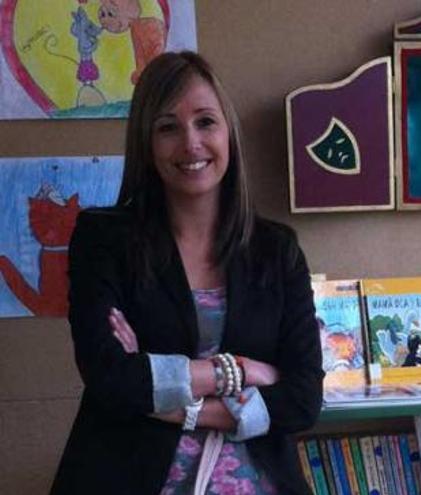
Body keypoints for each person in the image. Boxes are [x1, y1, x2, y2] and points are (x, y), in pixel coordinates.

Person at [50, 51, 324, 495]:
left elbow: (303, 399)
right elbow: (111, 379)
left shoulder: (277, 250)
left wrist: (170, 399)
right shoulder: (104, 239)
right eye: (168, 127)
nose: (190, 143)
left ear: (228, 133)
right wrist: (241, 370)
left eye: (205, 122)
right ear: (146, 142)